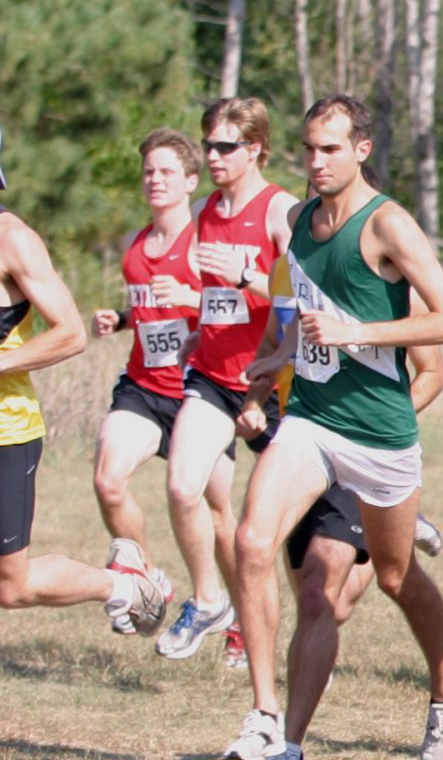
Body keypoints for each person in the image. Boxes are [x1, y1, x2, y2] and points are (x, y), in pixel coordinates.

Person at [220, 95, 443, 760]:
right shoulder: (299, 223)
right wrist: (279, 358)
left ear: (361, 149)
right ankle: (273, 721)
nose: (315, 162)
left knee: (395, 576)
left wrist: (359, 332)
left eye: (330, 148)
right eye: (308, 149)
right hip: (313, 418)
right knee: (251, 541)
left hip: (381, 432)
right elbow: (309, 314)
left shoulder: (388, 223)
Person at [0, 143, 172, 632]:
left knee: (10, 587)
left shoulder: (14, 240)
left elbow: (71, 332)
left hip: (6, 431)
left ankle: (122, 585)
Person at [158, 98, 293, 664]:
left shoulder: (278, 209)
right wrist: (200, 329)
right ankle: (211, 600)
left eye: (224, 147)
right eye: (208, 144)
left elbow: (296, 295)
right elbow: (218, 297)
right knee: (183, 488)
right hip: (213, 375)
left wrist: (247, 274)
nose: (211, 156)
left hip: (273, 380)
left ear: (256, 148)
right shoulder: (207, 208)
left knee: (288, 536)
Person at [89, 129, 210, 644]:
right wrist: (118, 320)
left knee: (212, 512)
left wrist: (187, 295)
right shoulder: (136, 245)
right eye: (148, 172)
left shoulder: (204, 244)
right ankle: (148, 584)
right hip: (142, 387)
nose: (154, 180)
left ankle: (221, 613)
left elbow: (238, 317)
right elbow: (149, 311)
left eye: (165, 172)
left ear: (189, 180)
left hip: (198, 392)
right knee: (108, 481)